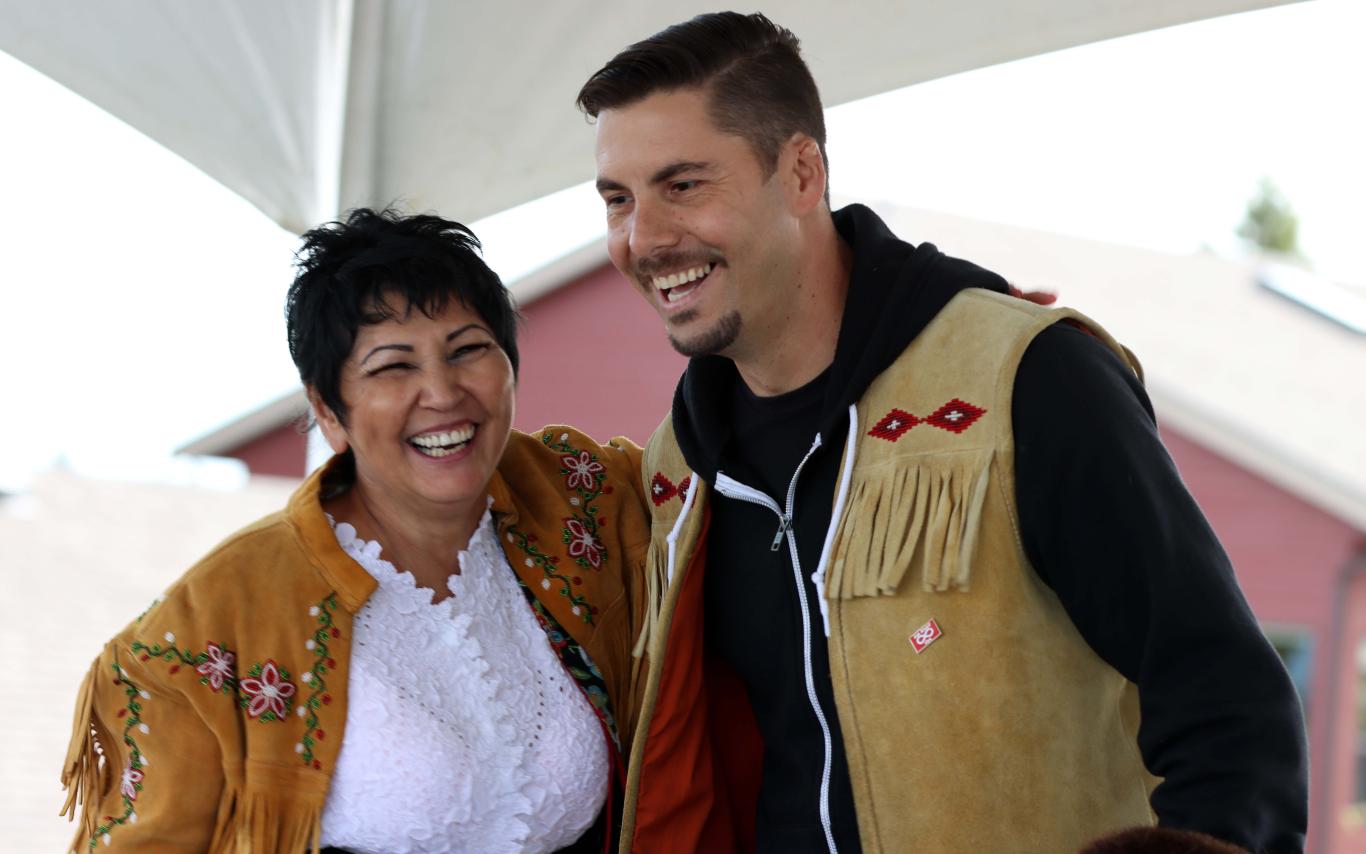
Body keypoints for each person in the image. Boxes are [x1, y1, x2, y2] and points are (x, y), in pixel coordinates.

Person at [577, 12, 1307, 854]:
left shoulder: (1027, 381)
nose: (643, 239)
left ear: (803, 172)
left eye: (682, 186)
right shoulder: (677, 473)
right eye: (618, 200)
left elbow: (1230, 712)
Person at [59, 209, 650, 852]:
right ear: (328, 411)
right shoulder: (220, 615)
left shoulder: (581, 496)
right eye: (393, 366)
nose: (442, 392)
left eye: (468, 350)